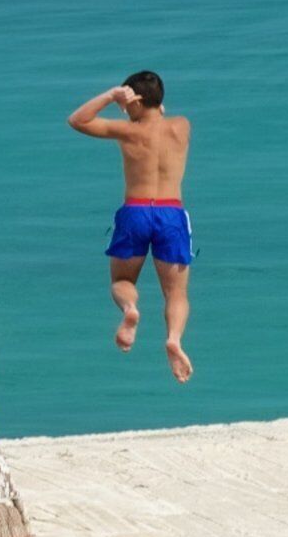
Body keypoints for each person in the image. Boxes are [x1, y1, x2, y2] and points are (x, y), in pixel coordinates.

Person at [68, 70, 195, 383]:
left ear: (135, 100)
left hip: (135, 211)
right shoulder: (181, 126)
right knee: (176, 292)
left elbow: (77, 120)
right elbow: (158, 112)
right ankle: (174, 339)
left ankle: (130, 309)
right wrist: (146, 104)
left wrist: (111, 95)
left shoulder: (126, 131)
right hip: (170, 213)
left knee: (122, 280)